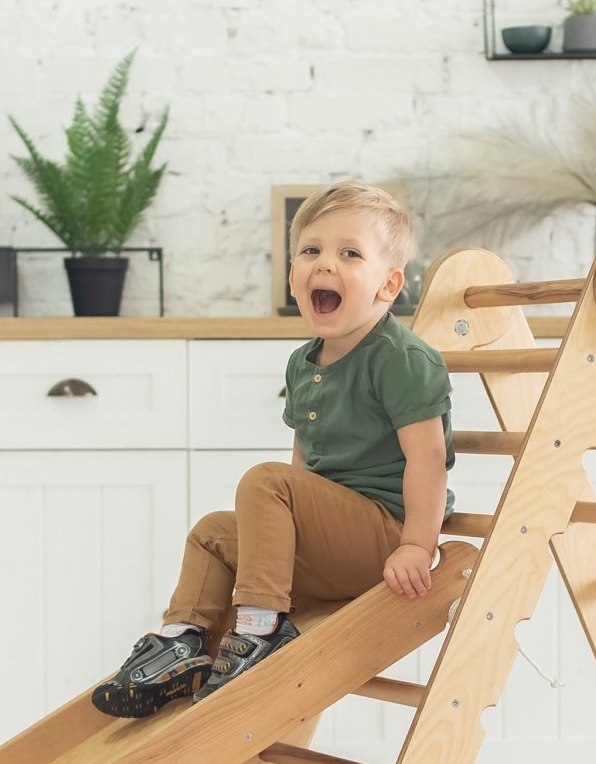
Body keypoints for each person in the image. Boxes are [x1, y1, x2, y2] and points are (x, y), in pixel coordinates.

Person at [91, 180, 455, 719]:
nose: (324, 264)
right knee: (214, 532)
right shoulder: (304, 361)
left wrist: (417, 547)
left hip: (383, 535)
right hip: (333, 538)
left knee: (265, 481)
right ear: (293, 276)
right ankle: (182, 643)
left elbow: (428, 460)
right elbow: (304, 466)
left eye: (349, 253)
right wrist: (284, 539)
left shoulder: (399, 359)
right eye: (311, 251)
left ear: (388, 284)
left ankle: (261, 631)